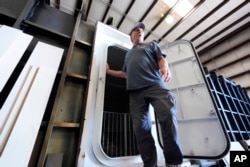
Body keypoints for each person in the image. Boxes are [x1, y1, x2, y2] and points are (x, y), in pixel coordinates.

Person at [106, 22, 183, 167]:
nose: (140, 31)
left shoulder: (151, 45)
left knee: (168, 115)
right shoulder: (128, 55)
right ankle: (149, 164)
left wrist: (165, 68)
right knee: (140, 129)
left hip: (155, 85)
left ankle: (173, 162)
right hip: (135, 92)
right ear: (131, 36)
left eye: (141, 30)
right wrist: (108, 71)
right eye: (136, 30)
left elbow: (161, 59)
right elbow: (125, 73)